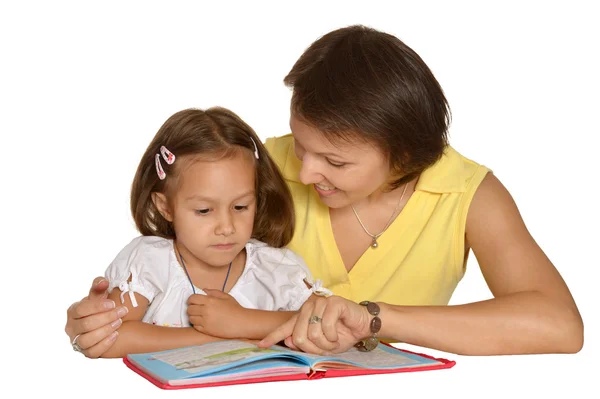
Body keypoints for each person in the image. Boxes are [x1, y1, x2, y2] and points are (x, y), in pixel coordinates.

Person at [65, 25, 583, 358]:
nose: (304, 171)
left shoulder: (466, 193)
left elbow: (559, 325)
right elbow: (173, 270)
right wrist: (99, 321)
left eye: (334, 160)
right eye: (301, 143)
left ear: (403, 154)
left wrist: (374, 317)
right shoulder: (258, 168)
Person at [72, 106, 331, 358]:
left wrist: (243, 321)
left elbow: (323, 323)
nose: (227, 227)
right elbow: (111, 337)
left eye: (240, 206)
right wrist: (219, 337)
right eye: (205, 210)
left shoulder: (278, 269)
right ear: (165, 207)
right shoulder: (149, 263)